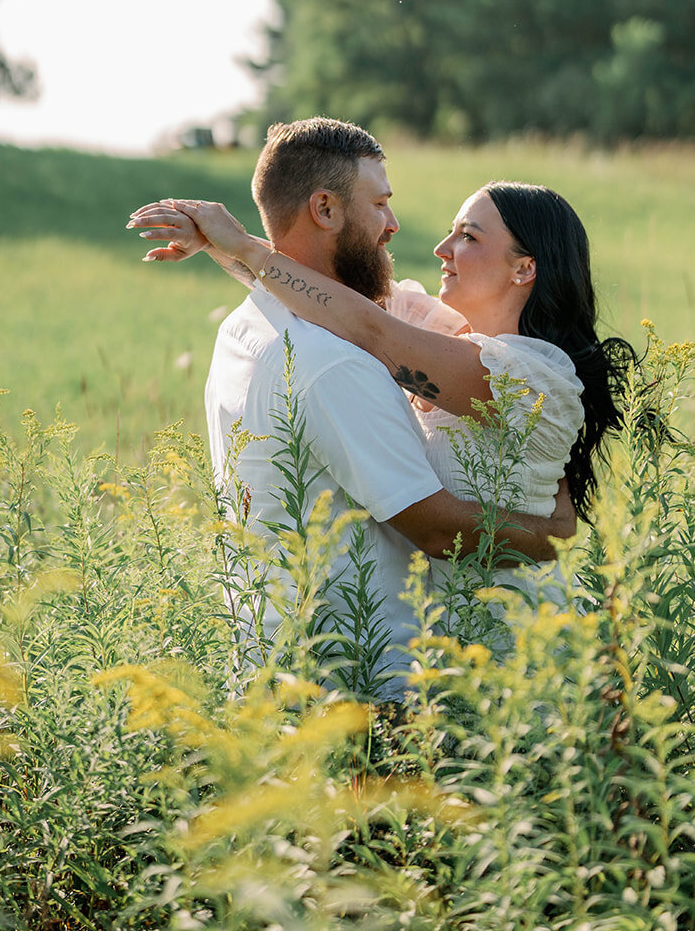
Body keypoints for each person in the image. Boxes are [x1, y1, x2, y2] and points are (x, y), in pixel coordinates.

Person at [128, 118, 578, 700]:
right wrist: (555, 533)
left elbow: (364, 321)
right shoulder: (347, 353)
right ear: (326, 208)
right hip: (375, 671)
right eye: (381, 204)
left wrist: (238, 247)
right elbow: (355, 315)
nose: (419, 238)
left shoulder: (522, 371)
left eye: (467, 236)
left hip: (489, 649)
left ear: (525, 268)